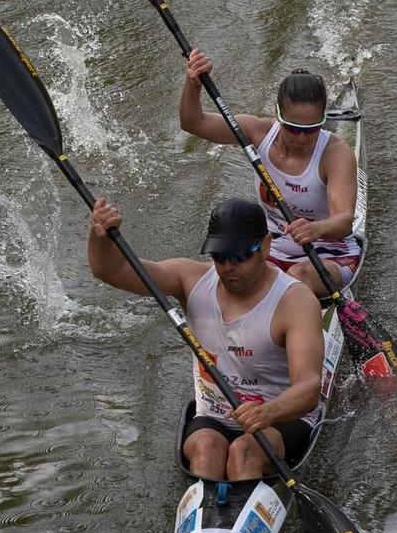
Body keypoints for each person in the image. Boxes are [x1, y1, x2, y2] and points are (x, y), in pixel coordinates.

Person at [87, 195, 327, 481]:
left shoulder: (294, 301)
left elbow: (310, 389)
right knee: (205, 450)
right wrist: (100, 237)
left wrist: (268, 412)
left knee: (243, 454)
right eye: (219, 257)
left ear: (264, 246)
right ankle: (206, 516)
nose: (228, 267)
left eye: (239, 257)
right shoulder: (190, 280)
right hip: (214, 417)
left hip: (282, 418)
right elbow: (110, 270)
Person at [178, 49, 361, 295]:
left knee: (296, 279)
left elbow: (344, 221)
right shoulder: (258, 132)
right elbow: (193, 123)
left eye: (313, 129)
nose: (303, 138)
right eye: (294, 128)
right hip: (270, 252)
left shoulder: (336, 154)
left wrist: (315, 229)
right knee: (219, 275)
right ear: (278, 115)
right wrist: (193, 84)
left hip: (329, 257)